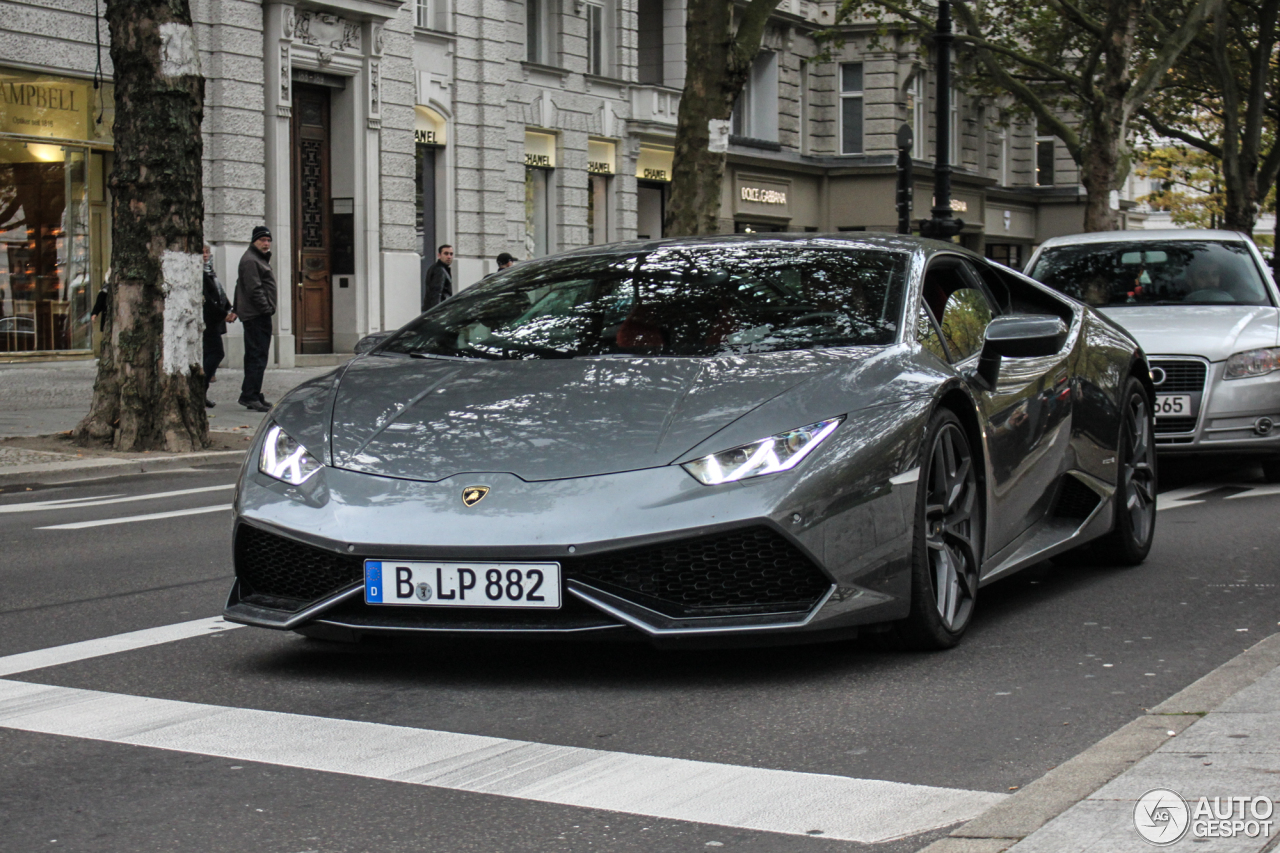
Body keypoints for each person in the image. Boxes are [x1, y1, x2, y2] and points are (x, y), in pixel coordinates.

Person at [234, 226, 277, 413]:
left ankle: (253, 392)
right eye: (262, 240)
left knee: (258, 355)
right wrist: (265, 308)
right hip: (256, 315)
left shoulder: (256, 259)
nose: (266, 243)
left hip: (257, 314)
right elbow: (254, 289)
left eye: (268, 240)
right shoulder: (251, 260)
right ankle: (249, 395)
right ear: (254, 241)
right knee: (256, 356)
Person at [202, 244, 236, 408]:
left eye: (207, 252)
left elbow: (219, 293)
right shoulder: (199, 274)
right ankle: (200, 388)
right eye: (202, 252)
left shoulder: (210, 273)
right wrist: (223, 315)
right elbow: (207, 301)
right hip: (206, 322)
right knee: (215, 353)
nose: (205, 256)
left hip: (213, 321)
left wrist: (229, 309)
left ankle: (202, 390)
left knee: (211, 354)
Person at [421, 244, 453, 311]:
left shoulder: (440, 269)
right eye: (446, 254)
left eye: (451, 254)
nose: (449, 256)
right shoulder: (439, 270)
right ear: (439, 255)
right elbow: (436, 293)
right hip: (439, 310)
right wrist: (437, 312)